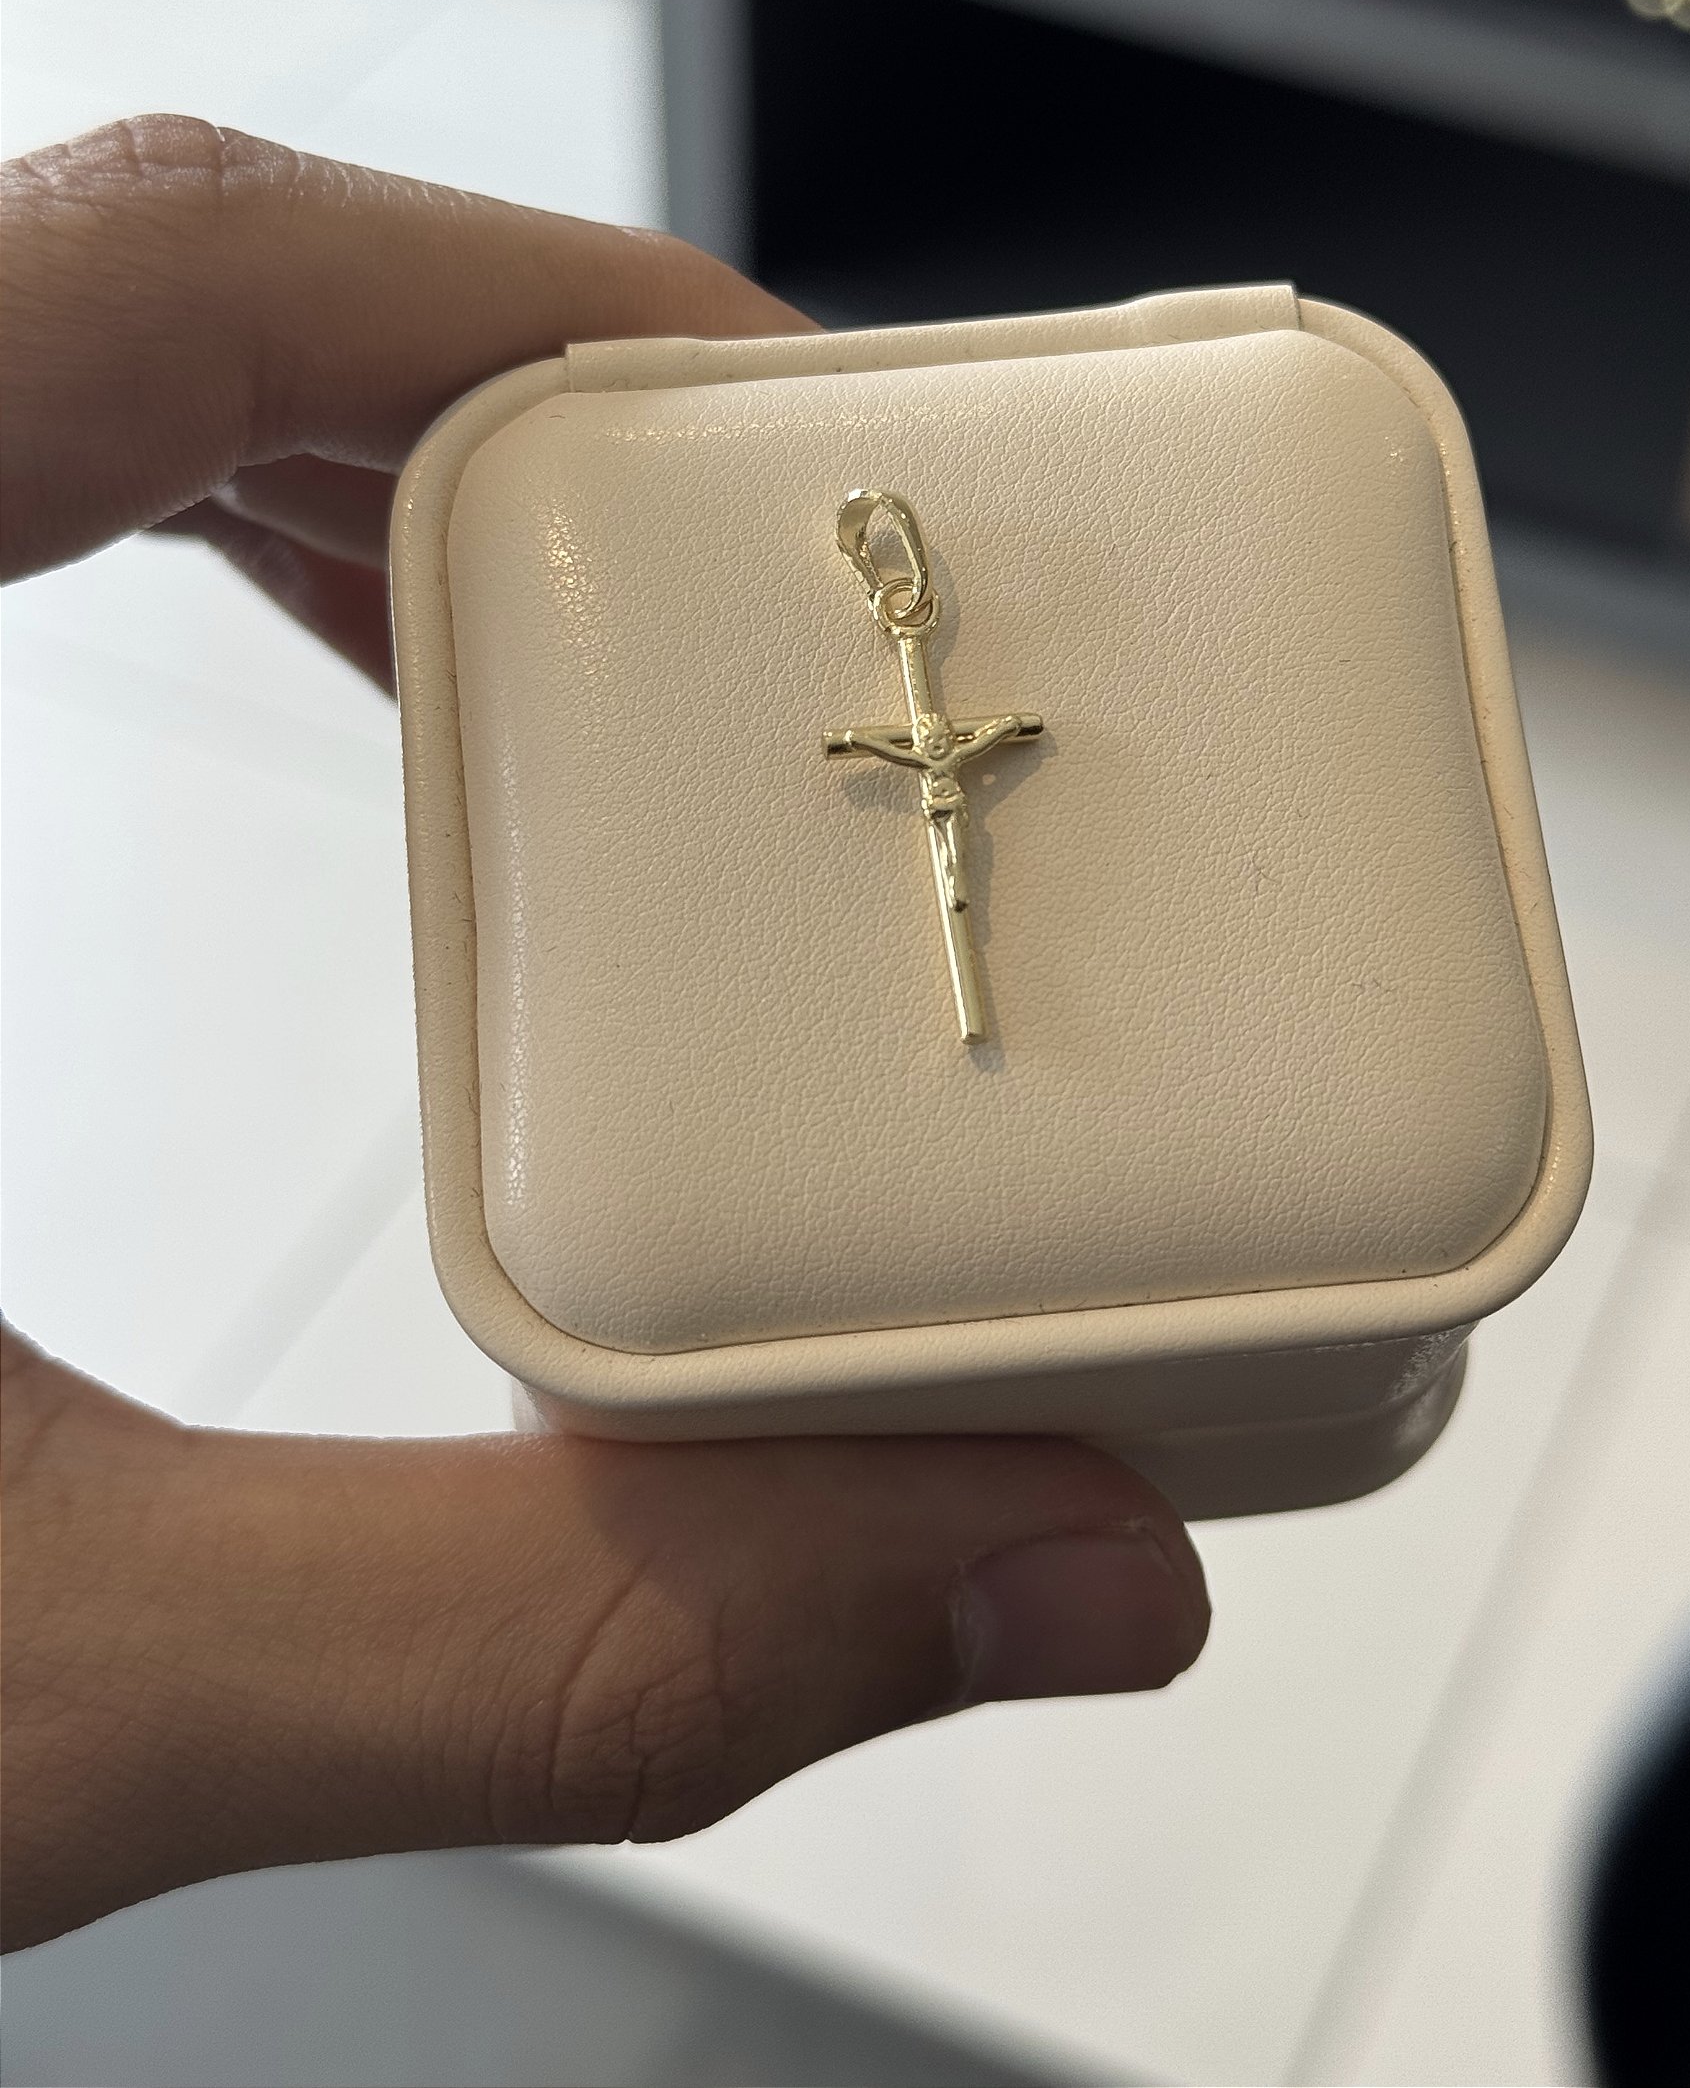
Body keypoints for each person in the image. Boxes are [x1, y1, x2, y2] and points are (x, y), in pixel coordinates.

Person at [0, 116, 1210, 1954]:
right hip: (909, 776)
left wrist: (942, 739)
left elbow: (976, 737)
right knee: (948, 880)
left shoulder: (946, 719)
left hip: (938, 783)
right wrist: (884, 742)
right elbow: (912, 742)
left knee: (962, 880)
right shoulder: (896, 724)